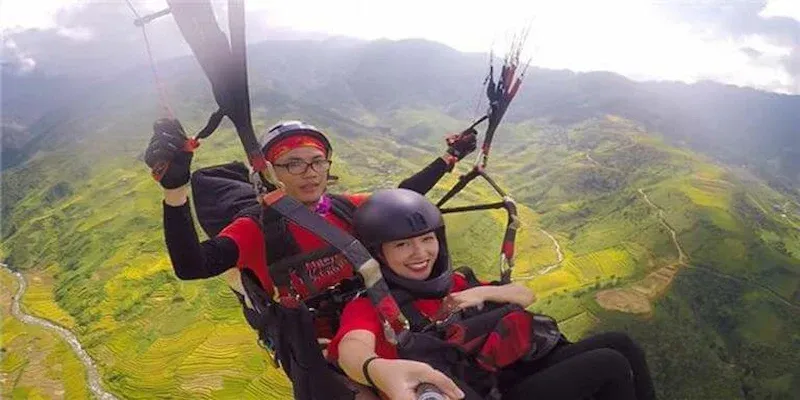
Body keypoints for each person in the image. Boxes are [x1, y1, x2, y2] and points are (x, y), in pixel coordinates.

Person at [143, 118, 477, 399]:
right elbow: (193, 266)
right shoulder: (255, 228)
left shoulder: (342, 209)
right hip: (310, 347)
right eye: (294, 164)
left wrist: (450, 157)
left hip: (367, 320)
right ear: (270, 171)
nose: (310, 173)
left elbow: (400, 197)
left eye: (318, 161)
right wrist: (175, 191)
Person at [329, 188, 657, 400]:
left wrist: (481, 293)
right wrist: (377, 369)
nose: (420, 253)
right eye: (402, 244)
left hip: (508, 372)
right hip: (485, 392)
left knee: (621, 342)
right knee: (609, 364)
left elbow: (524, 295)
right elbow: (352, 348)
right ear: (379, 253)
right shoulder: (374, 305)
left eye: (427, 239)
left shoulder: (457, 282)